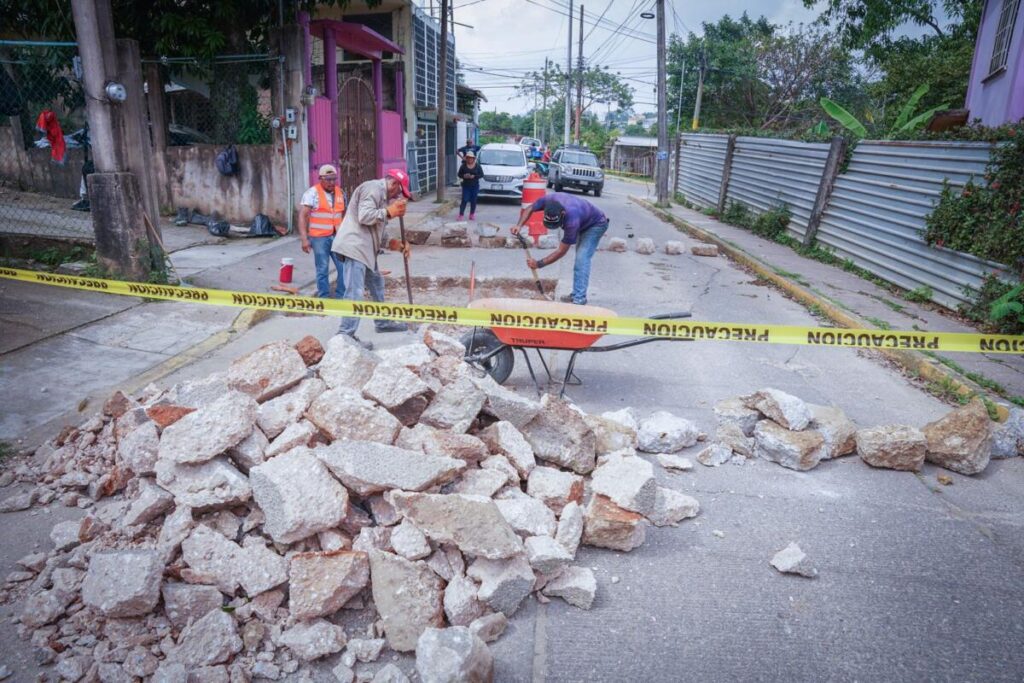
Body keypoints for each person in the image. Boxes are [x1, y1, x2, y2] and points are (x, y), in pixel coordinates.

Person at [331, 168, 414, 347]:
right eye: (399, 192)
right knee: (354, 292)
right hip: (354, 247)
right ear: (394, 184)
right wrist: (389, 212)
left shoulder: (383, 199)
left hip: (366, 251)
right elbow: (365, 216)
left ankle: (382, 323)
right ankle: (345, 337)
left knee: (376, 283)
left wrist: (396, 244)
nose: (397, 196)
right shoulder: (372, 188)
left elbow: (379, 234)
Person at [510, 192, 608, 305]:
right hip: (583, 219)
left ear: (562, 213)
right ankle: (576, 294)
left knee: (582, 258)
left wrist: (539, 264)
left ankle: (579, 298)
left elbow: (561, 251)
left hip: (595, 225)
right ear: (544, 210)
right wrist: (519, 225)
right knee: (580, 258)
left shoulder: (572, 220)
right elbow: (530, 208)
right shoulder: (547, 200)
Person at [298, 165, 346, 299]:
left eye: (334, 179)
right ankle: (324, 298)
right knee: (322, 269)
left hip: (337, 237)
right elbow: (302, 216)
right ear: (321, 179)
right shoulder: (312, 193)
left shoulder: (340, 193)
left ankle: (341, 296)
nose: (332, 182)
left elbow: (343, 214)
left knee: (344, 267)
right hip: (319, 238)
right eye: (328, 179)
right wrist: (304, 239)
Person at [457, 150, 484, 221]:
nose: (469, 159)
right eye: (468, 158)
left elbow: (481, 175)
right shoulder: (463, 166)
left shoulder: (477, 166)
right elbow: (459, 174)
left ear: (473, 159)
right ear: (466, 158)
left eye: (471, 158)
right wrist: (464, 176)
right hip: (466, 185)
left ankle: (472, 214)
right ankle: (461, 214)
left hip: (475, 186)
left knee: (473, 200)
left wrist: (474, 176)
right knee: (464, 199)